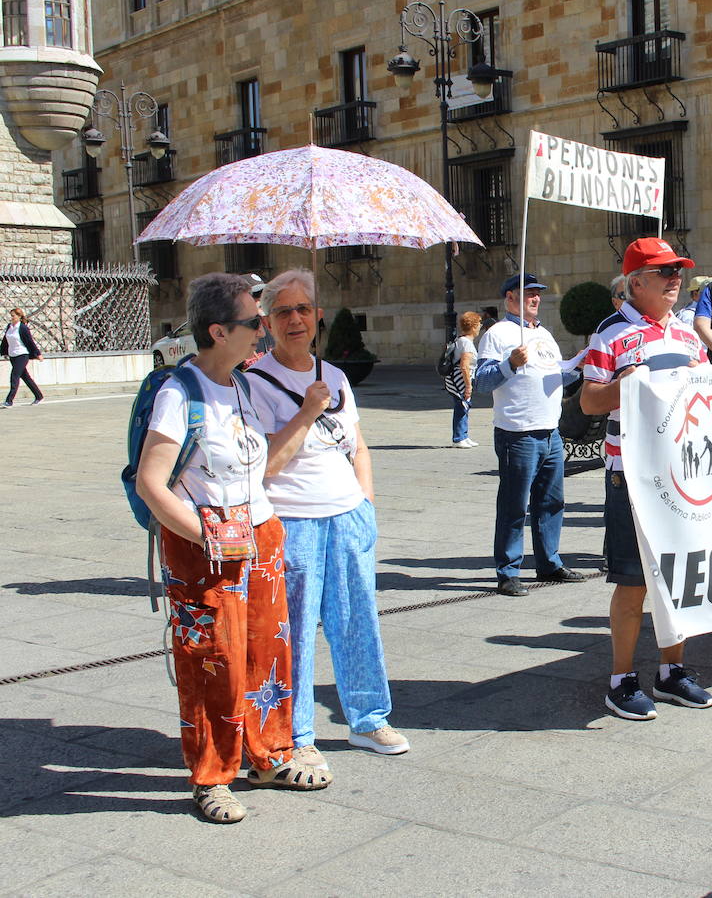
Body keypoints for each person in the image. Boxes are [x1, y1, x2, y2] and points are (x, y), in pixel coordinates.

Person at [135, 272, 330, 824]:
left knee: (268, 651)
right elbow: (151, 482)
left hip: (259, 536)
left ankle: (268, 754)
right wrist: (207, 536)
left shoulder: (243, 385)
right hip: (205, 549)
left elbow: (261, 458)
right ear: (219, 331)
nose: (264, 330)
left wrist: (310, 408)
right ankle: (212, 776)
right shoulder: (181, 392)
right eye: (253, 322)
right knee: (212, 661)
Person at [247, 269, 408, 768]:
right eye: (282, 312)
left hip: (347, 516)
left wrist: (367, 504)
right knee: (292, 630)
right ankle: (296, 733)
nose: (294, 319)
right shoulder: (252, 383)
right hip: (292, 521)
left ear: (317, 316)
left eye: (303, 309)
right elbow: (265, 464)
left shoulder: (333, 375)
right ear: (267, 322)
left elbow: (357, 445)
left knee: (357, 621)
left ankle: (368, 718)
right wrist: (305, 411)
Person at [582, 236, 712, 720]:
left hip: (682, 473)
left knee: (679, 577)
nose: (675, 278)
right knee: (634, 583)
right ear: (636, 283)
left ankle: (671, 672)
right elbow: (589, 401)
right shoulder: (610, 334)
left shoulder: (686, 335)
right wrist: (626, 383)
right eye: (664, 272)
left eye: (677, 270)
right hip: (631, 476)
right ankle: (620, 680)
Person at [474, 273, 584, 597]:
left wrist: (577, 367)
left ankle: (548, 562)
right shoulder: (498, 334)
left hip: (550, 432)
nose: (535, 299)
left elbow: (553, 375)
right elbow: (481, 382)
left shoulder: (545, 335)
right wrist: (509, 363)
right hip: (517, 433)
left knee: (551, 502)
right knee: (514, 505)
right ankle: (508, 571)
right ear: (510, 297)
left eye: (537, 294)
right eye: (528, 294)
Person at [446, 311, 481, 448]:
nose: (480, 326)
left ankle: (464, 436)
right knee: (461, 407)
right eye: (479, 324)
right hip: (459, 381)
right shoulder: (466, 343)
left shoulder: (462, 340)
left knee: (464, 408)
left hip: (458, 379)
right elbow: (464, 366)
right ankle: (458, 438)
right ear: (473, 326)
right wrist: (468, 386)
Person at [3, 308, 43, 407]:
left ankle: (9, 400)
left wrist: (37, 354)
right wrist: (4, 352)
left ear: (19, 316)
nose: (11, 317)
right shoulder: (9, 327)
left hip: (22, 354)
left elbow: (30, 341)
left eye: (13, 315)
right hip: (13, 355)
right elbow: (5, 340)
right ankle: (39, 396)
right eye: (11, 315)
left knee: (14, 376)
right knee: (25, 377)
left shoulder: (22, 328)